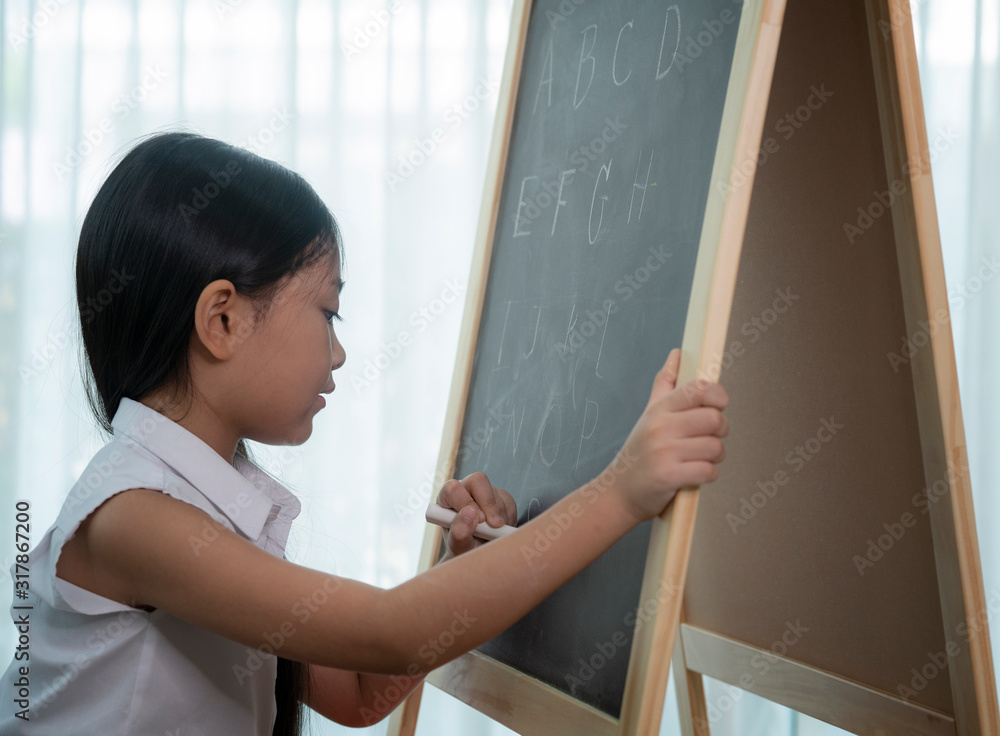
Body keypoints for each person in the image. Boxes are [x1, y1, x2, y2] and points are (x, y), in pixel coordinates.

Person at [0, 132, 729, 735]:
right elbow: (390, 632)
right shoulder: (135, 519)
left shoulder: (208, 508)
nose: (339, 352)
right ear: (222, 320)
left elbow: (353, 694)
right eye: (328, 313)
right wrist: (622, 491)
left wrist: (458, 564)